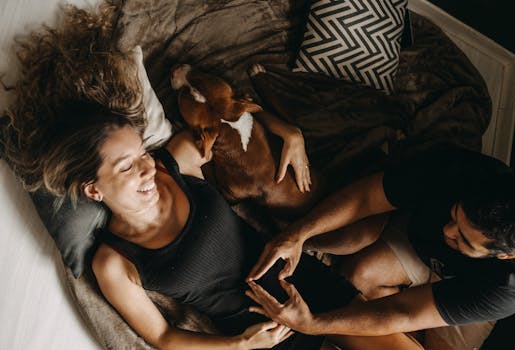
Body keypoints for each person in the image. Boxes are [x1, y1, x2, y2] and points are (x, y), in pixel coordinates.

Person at [5, 97, 424, 349]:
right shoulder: (114, 263)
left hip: (300, 284)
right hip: (262, 333)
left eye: (143, 154)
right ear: (94, 190)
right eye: (127, 167)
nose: (148, 171)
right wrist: (240, 345)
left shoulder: (179, 160)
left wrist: (289, 131)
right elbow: (164, 338)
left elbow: (230, 111)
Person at [246, 146, 515, 349]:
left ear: (506, 254)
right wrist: (299, 233)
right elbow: (366, 198)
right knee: (359, 276)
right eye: (453, 215)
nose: (447, 231)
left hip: (472, 286)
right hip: (419, 248)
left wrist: (311, 324)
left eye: (462, 238)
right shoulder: (460, 171)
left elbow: (404, 312)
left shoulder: (506, 289)